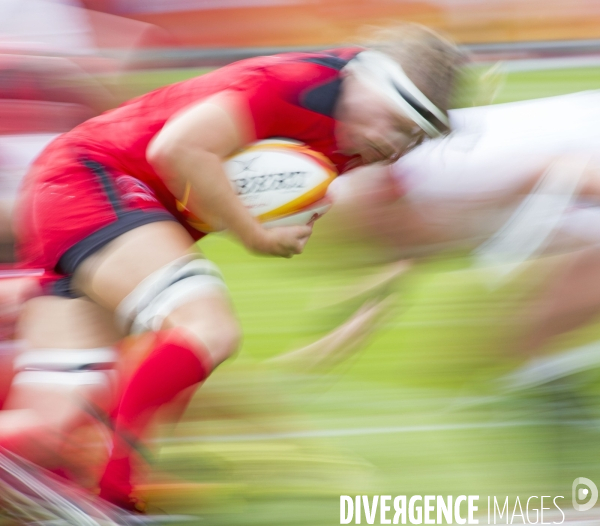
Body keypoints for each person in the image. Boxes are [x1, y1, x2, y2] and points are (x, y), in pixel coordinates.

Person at [9, 23, 463, 510]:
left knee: (48, 430)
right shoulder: (293, 84)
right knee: (206, 327)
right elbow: (178, 148)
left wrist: (364, 297)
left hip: (99, 200)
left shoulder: (353, 129)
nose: (396, 145)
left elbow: (358, 221)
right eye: (397, 123)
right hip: (87, 180)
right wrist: (256, 233)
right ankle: (113, 490)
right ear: (364, 79)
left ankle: (76, 485)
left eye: (417, 136)